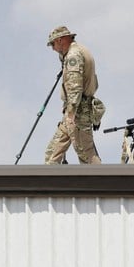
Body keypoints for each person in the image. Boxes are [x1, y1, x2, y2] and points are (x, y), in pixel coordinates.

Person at [44, 25, 102, 164]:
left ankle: (101, 183)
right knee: (52, 152)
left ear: (60, 40)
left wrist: (70, 115)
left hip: (77, 112)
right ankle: (48, 181)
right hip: (75, 111)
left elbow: (75, 88)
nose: (52, 48)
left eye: (53, 43)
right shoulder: (78, 51)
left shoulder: (73, 56)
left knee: (86, 154)